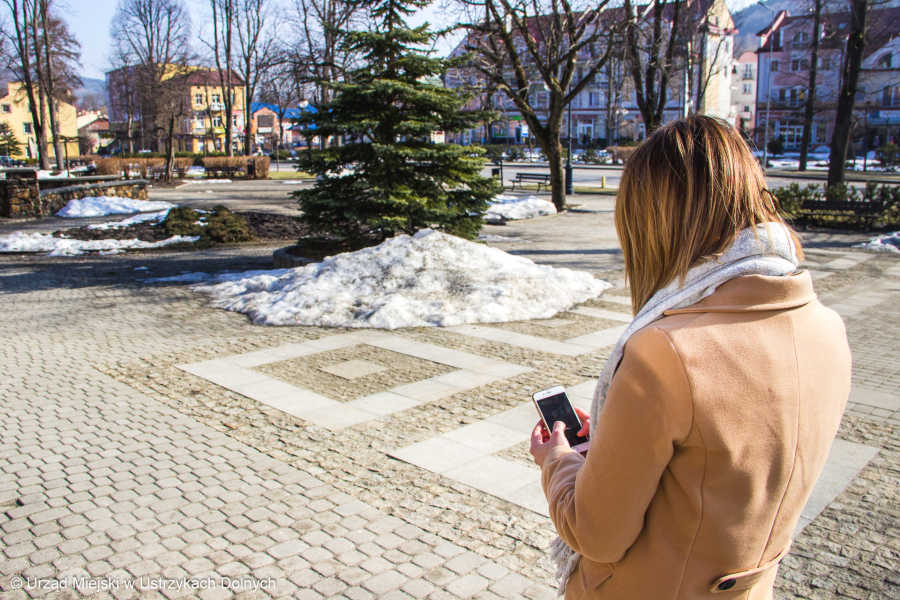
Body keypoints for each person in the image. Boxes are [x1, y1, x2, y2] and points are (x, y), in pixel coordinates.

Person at [529, 116, 851, 599]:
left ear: (651, 221)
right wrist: (617, 439)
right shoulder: (827, 326)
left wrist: (557, 459)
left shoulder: (665, 351)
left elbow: (597, 532)